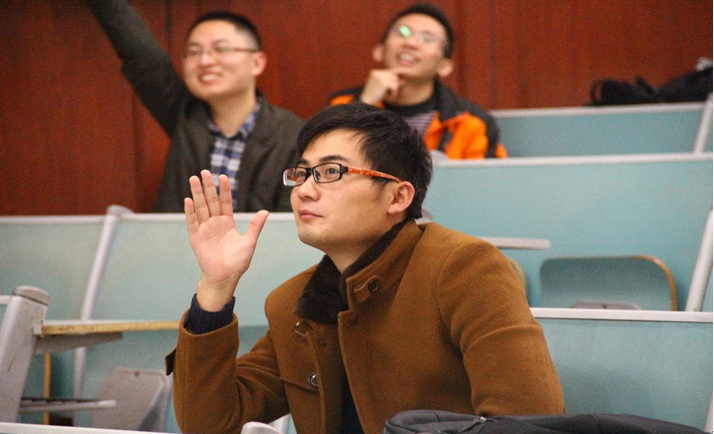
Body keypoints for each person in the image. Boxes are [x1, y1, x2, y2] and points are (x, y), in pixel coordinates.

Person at [167, 104, 563, 434]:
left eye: (331, 172)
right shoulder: (294, 304)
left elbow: (527, 423)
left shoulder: (464, 268)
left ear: (397, 197)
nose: (304, 190)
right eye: (301, 173)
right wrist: (216, 287)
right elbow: (209, 424)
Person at [87, 0, 304, 213]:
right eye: (193, 52)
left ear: (257, 62)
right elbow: (141, 56)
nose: (205, 61)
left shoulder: (295, 136)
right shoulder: (185, 114)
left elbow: (291, 220)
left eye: (221, 49)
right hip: (179, 238)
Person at [328, 3, 506, 160]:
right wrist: (363, 104)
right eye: (402, 33)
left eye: (426, 39)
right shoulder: (340, 105)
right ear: (379, 50)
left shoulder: (471, 122)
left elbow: (492, 181)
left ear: (444, 66)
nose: (411, 43)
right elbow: (323, 166)